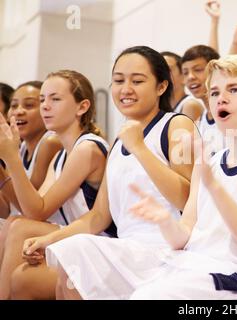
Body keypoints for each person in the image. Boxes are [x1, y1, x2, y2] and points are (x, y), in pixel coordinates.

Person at [18, 46, 196, 300]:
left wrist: (140, 149)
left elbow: (189, 199)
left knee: (75, 265)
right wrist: (51, 239)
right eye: (118, 80)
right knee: (67, 275)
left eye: (137, 81)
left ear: (161, 87)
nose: (126, 89)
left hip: (168, 249)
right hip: (128, 248)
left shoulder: (177, 125)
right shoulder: (119, 142)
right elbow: (99, 216)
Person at [126, 55, 237, 300]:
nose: (222, 98)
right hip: (192, 266)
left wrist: (214, 186)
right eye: (215, 92)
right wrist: (164, 221)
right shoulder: (210, 162)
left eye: (234, 89)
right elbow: (184, 236)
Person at [0, 70, 109, 299]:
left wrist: (11, 158)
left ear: (82, 107)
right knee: (15, 223)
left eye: (55, 99)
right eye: (42, 100)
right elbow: (32, 209)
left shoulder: (87, 149)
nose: (45, 106)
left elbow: (35, 211)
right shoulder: (62, 155)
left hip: (98, 242)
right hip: (77, 240)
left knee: (21, 228)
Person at [0, 81, 62, 218]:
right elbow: (6, 210)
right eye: (14, 105)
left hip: (51, 229)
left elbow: (27, 209)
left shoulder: (50, 142)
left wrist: (5, 163)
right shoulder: (21, 147)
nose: (19, 111)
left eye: (29, 105)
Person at [181, 45, 224, 153]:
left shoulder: (231, 113)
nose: (190, 77)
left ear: (215, 71)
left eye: (198, 70)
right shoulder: (200, 123)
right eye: (185, 73)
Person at [160, 51, 204, 121]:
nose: (162, 75)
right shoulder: (163, 108)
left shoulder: (190, 105)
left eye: (168, 69)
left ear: (183, 75)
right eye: (159, 71)